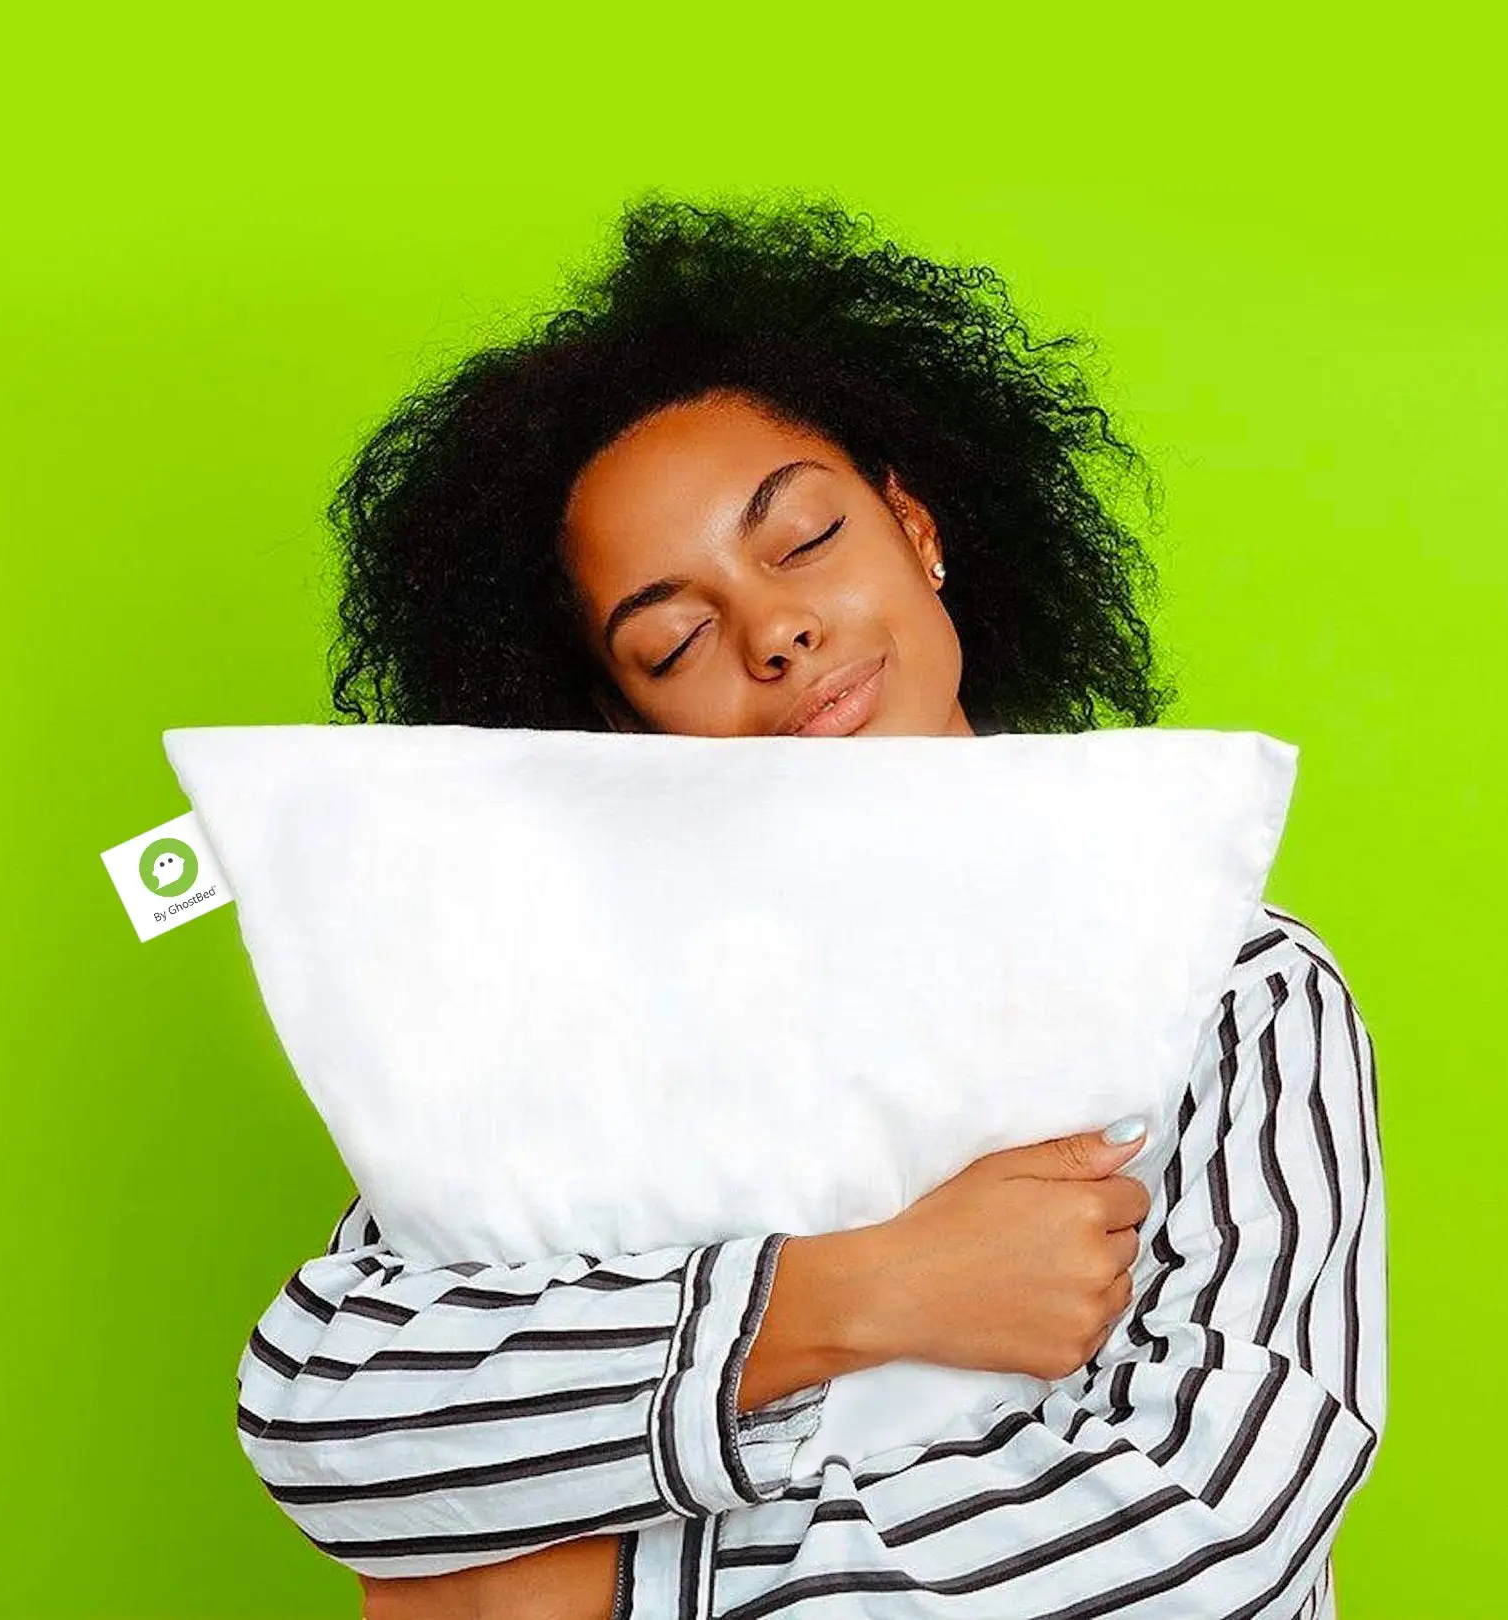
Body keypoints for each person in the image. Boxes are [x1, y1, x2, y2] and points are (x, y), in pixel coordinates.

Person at [235, 199, 1386, 1620]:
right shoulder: (570, 1003)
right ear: (625, 724)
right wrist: (850, 1293)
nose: (774, 632)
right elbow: (331, 1412)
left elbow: (1211, 1533)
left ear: (915, 525)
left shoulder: (1230, 981)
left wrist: (606, 1593)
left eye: (805, 539)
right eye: (675, 639)